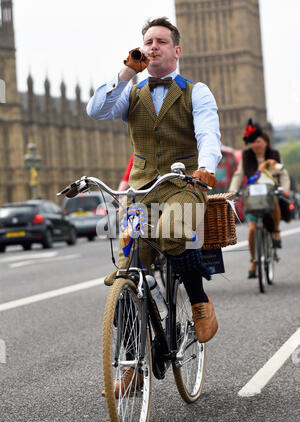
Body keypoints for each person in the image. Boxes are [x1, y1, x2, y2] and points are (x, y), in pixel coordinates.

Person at [87, 17, 222, 392]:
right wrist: (126, 71)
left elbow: (209, 133)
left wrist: (207, 167)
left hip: (184, 184)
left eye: (161, 41)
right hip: (142, 189)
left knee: (174, 230)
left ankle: (197, 300)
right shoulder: (130, 92)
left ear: (176, 50)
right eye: (148, 41)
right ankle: (132, 366)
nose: (154, 46)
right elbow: (96, 110)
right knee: (126, 273)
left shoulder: (197, 92)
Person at [229, 119, 291, 278]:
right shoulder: (246, 155)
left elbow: (283, 174)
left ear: (265, 142)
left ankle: (276, 233)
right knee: (251, 228)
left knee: (275, 201)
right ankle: (253, 260)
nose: (255, 145)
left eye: (258, 141)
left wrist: (286, 189)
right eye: (253, 142)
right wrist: (232, 191)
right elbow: (238, 174)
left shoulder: (274, 155)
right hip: (252, 196)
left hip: (270, 194)